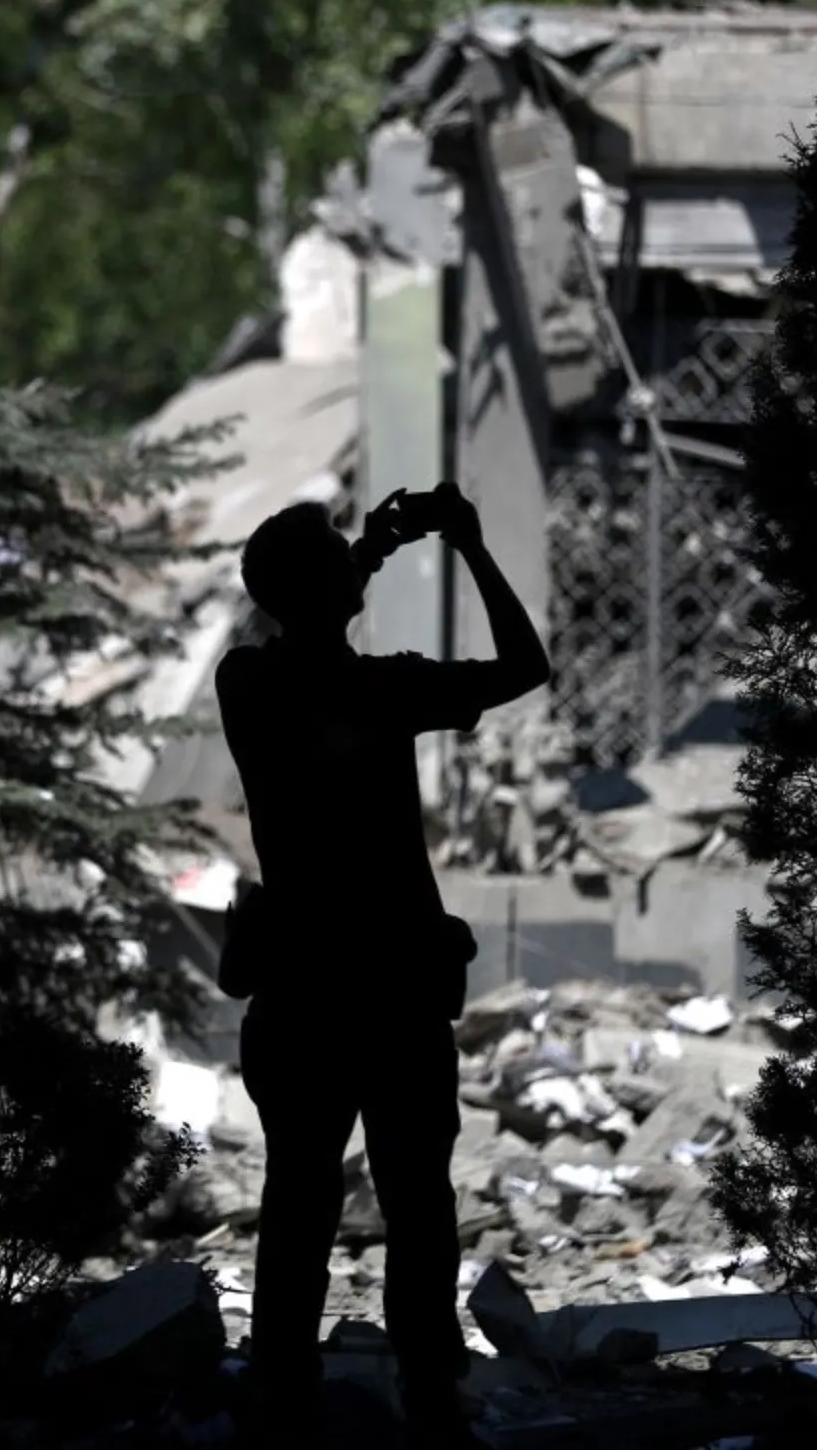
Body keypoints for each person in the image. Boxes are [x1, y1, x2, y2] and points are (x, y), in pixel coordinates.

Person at [215, 483, 551, 1446]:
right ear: (330, 588)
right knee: (418, 1208)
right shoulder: (385, 690)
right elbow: (523, 665)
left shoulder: (250, 685)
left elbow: (307, 614)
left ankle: (284, 1402)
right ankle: (431, 1400)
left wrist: (366, 548)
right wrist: (466, 547)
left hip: (302, 998)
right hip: (394, 998)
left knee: (298, 1206)